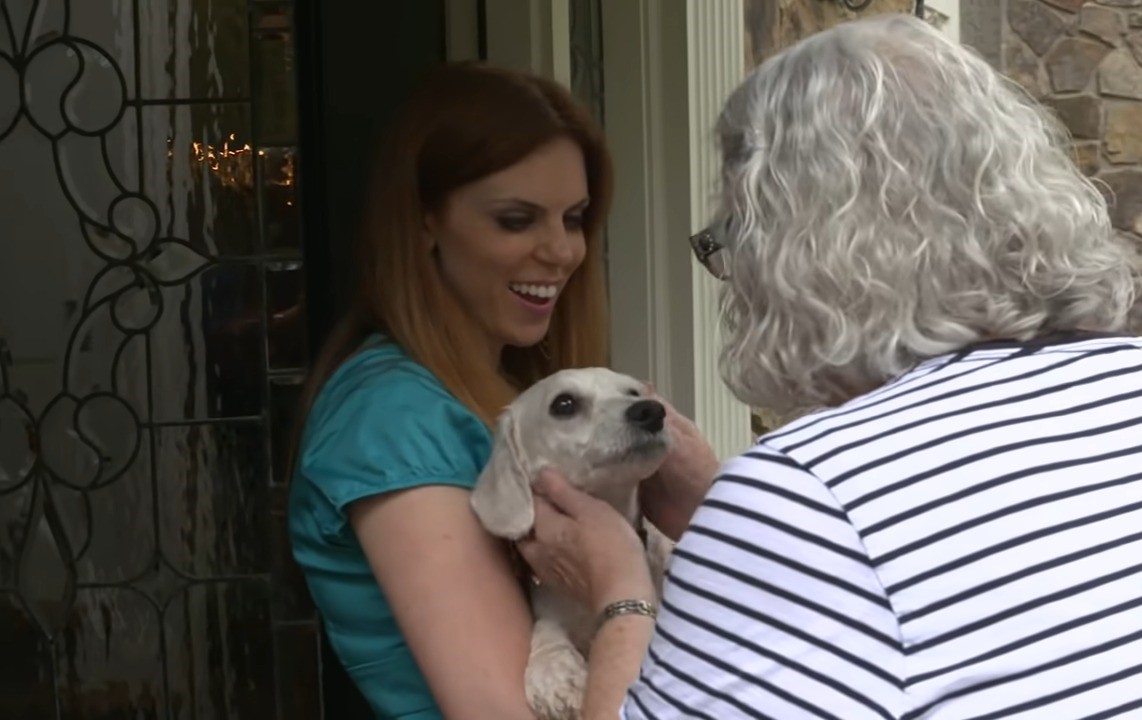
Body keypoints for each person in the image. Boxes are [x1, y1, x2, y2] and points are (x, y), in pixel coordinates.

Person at [520, 13, 1142, 720]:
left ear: (784, 260)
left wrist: (618, 590)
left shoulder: (811, 496)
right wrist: (723, 520)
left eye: (724, 246)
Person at [287, 61, 715, 720]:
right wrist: (623, 590)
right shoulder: (394, 417)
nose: (562, 251)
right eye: (517, 219)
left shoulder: (509, 386)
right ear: (425, 221)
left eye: (574, 218)